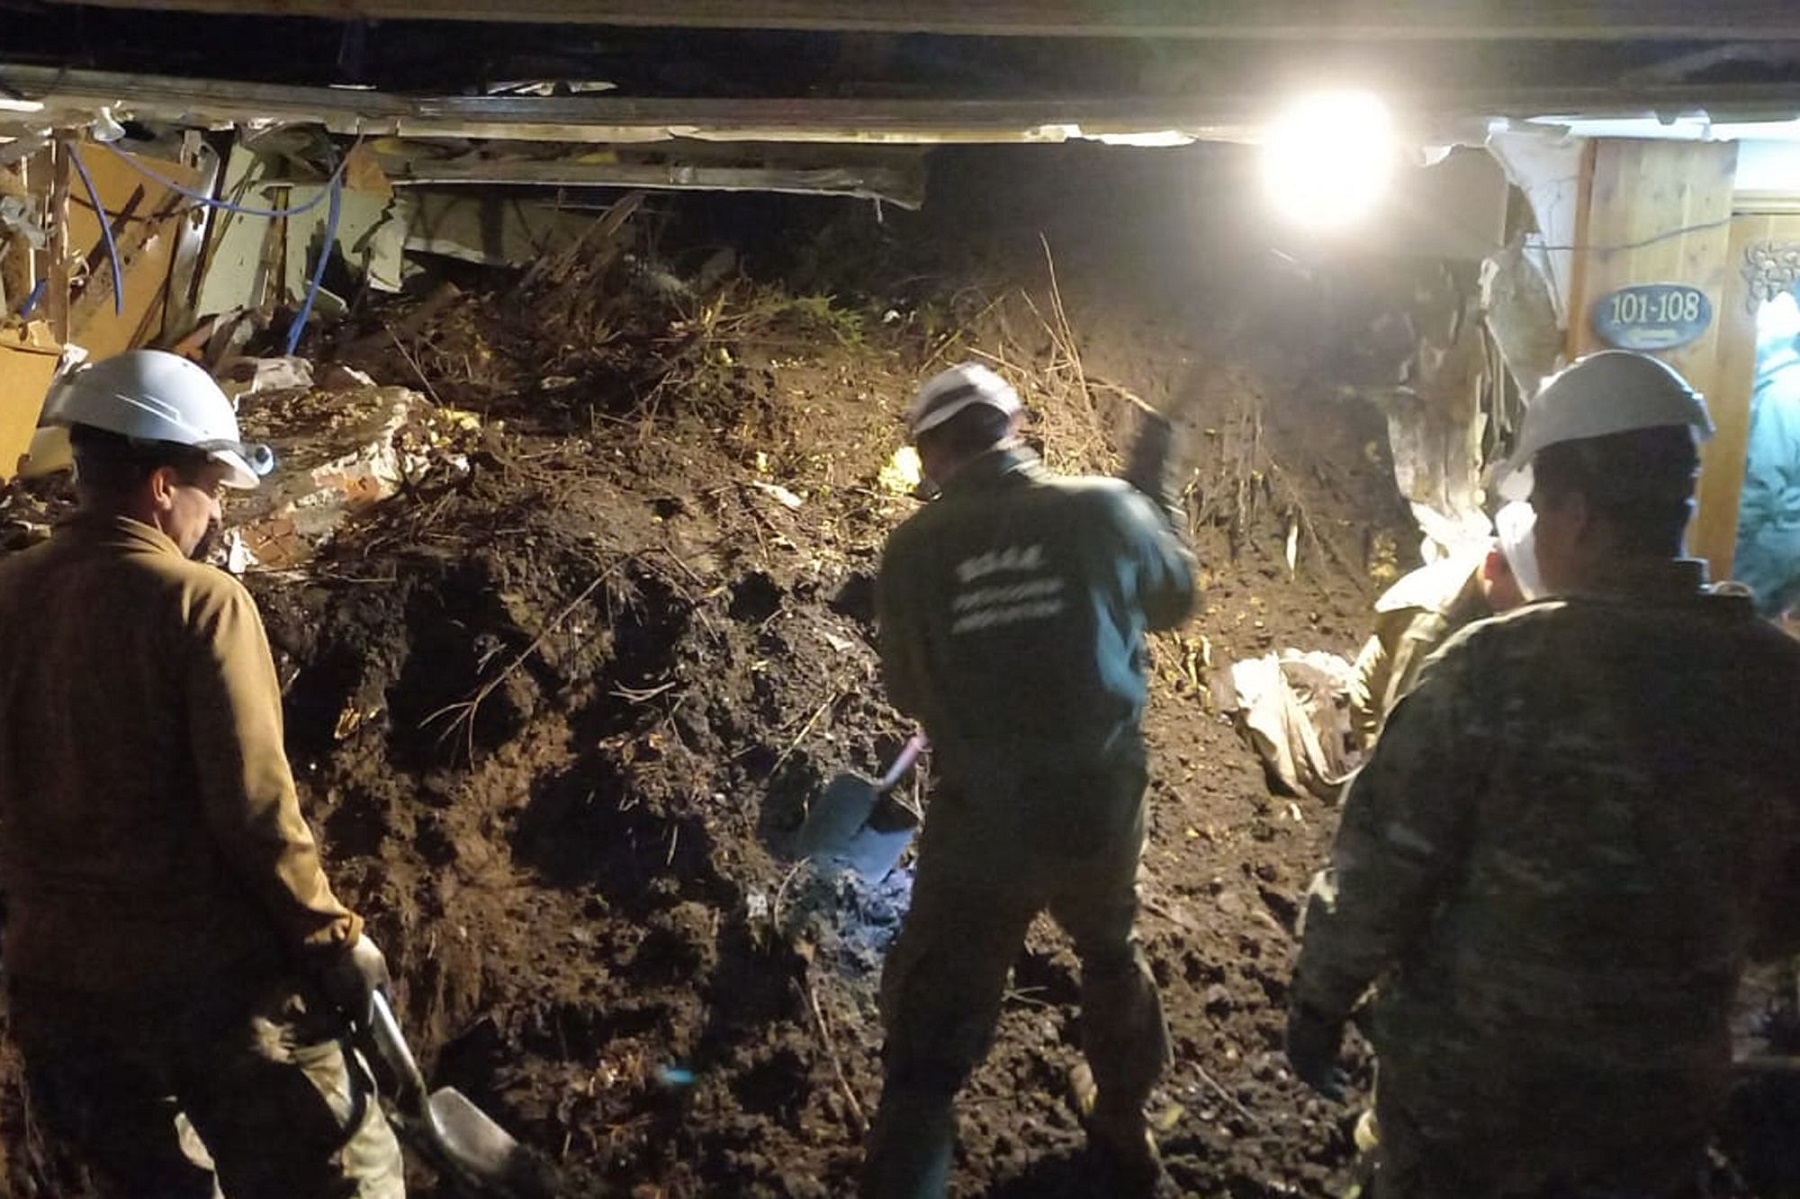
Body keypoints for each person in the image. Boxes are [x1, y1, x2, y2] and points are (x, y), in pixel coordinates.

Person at [1285, 349, 1800, 1199]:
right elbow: (1784, 914)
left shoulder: (1492, 668)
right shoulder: (1776, 683)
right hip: (1654, 1114)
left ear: (1575, 513)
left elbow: (1381, 867)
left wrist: (1319, 1000)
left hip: (1473, 1113)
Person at [0, 350, 405, 1198]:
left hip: (59, 994)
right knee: (349, 1171)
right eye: (211, 488)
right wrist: (333, 937)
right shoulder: (199, 603)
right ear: (158, 485)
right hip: (203, 985)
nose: (217, 512)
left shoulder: (8, 592)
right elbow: (255, 812)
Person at [862, 363, 1198, 1198]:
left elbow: (906, 691)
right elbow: (1177, 597)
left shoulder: (910, 550)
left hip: (984, 821)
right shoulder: (1103, 509)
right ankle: (1123, 1122)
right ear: (1012, 426)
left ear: (935, 449)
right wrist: (1152, 495)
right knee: (1110, 951)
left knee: (929, 1048)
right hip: (1099, 806)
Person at [1346, 500, 1539, 748]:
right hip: (1383, 722)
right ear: (1492, 567)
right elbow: (1400, 725)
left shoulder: (1490, 583)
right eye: (1525, 597)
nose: (1529, 610)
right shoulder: (1431, 626)